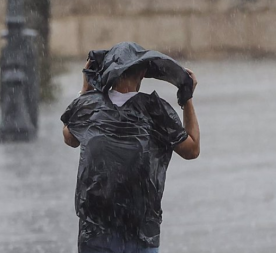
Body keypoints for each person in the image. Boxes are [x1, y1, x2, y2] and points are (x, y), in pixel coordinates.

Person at [61, 56, 200, 253]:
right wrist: (187, 99)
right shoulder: (155, 109)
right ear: (143, 72)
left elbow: (69, 137)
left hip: (96, 232)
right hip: (141, 232)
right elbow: (192, 149)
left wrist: (86, 90)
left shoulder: (90, 106)